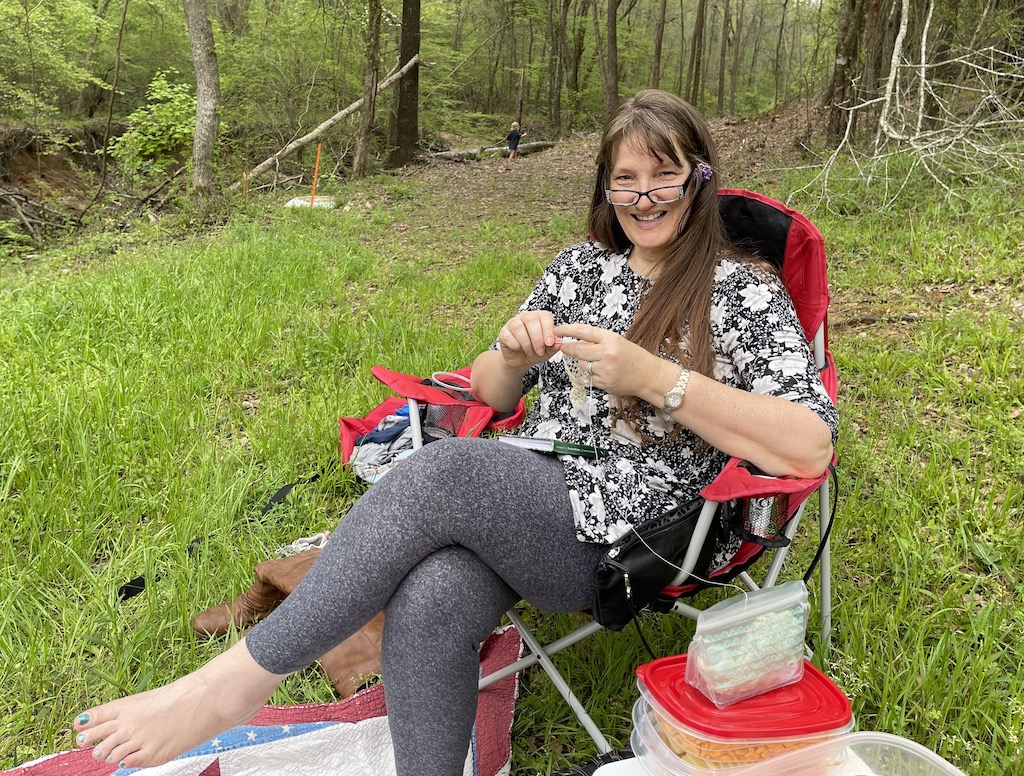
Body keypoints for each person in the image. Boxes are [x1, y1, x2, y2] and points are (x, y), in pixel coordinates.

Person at [72, 89, 837, 774]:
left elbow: (808, 444)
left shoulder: (742, 291)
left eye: (663, 174)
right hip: (530, 490)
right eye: (624, 179)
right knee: (434, 596)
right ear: (606, 188)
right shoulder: (581, 269)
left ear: (699, 179)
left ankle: (229, 687)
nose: (644, 196)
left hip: (638, 531)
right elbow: (488, 390)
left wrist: (655, 378)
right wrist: (508, 352)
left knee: (445, 473)